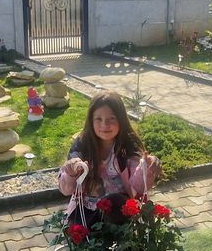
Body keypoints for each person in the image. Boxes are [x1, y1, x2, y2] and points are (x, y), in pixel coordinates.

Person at [58, 91, 160, 225]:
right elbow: (66, 190)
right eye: (98, 119)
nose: (105, 125)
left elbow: (139, 187)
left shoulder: (128, 146)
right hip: (86, 214)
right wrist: (70, 174)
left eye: (111, 118)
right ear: (91, 120)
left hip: (121, 215)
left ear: (121, 119)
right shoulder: (82, 145)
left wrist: (145, 170)